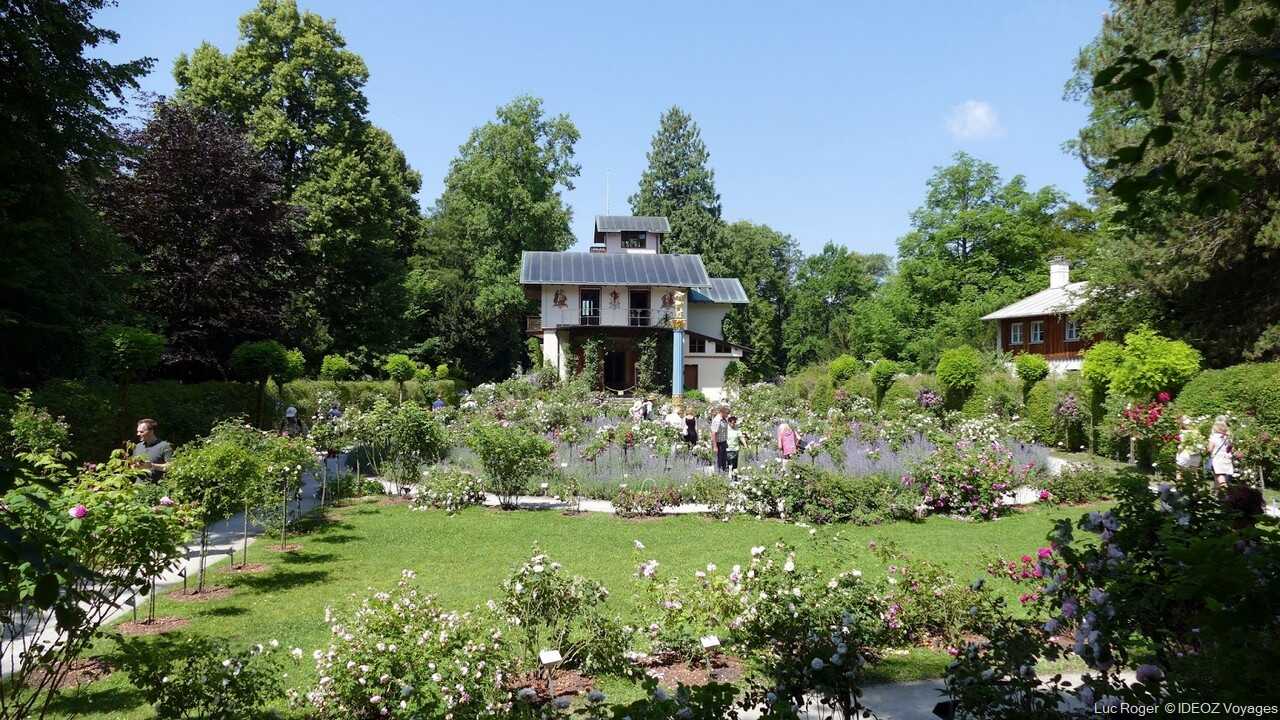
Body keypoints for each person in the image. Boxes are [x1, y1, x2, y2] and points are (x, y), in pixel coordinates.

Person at [1208, 415, 1235, 489]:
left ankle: (1225, 489)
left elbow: (1210, 449)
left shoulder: (1214, 437)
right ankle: (1217, 493)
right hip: (1227, 459)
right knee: (1222, 476)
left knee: (1219, 475)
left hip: (1217, 459)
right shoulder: (1229, 438)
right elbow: (1232, 450)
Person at [710, 405, 730, 472]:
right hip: (718, 443)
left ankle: (723, 473)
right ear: (722, 412)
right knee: (719, 460)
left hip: (723, 442)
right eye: (727, 413)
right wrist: (715, 446)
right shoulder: (717, 420)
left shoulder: (723, 419)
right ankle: (718, 474)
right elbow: (713, 433)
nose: (728, 415)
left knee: (724, 460)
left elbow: (723, 431)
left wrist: (725, 442)